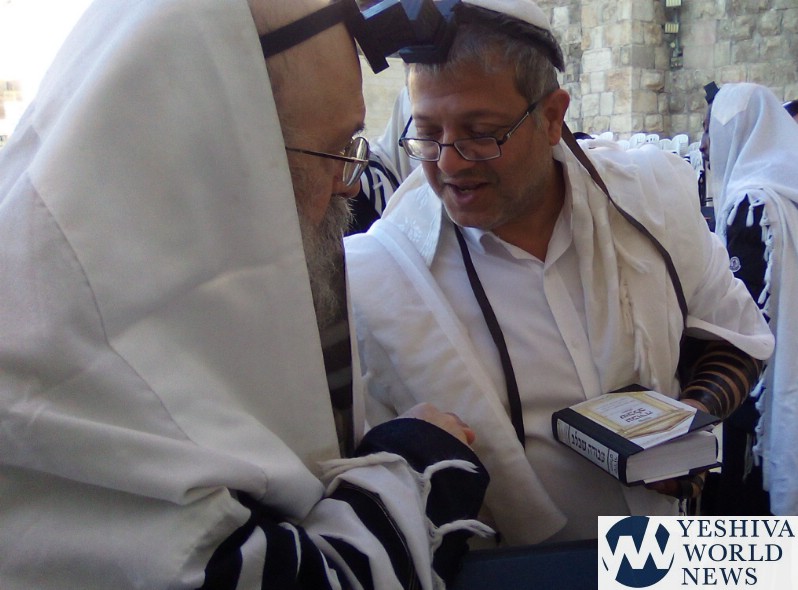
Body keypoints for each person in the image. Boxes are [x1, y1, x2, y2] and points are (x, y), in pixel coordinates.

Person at [0, 0, 491, 588]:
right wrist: (418, 458)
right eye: (333, 151)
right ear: (215, 164)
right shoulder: (51, 379)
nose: (348, 186)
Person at [345, 0, 774, 545]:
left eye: (482, 133)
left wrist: (688, 422)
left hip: (661, 561)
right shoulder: (380, 278)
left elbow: (736, 340)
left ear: (552, 116)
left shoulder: (652, 202)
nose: (449, 162)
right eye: (427, 133)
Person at [700, 82, 798, 516]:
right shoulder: (785, 191)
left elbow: (742, 314)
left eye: (710, 129)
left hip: (757, 392)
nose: (704, 143)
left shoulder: (752, 203)